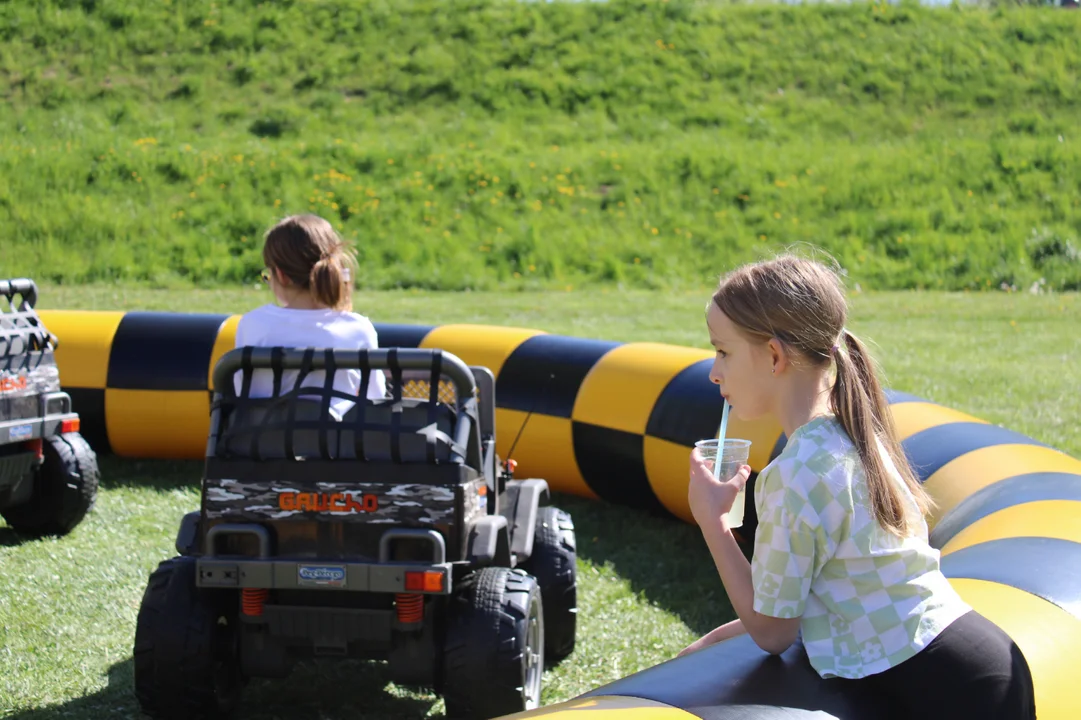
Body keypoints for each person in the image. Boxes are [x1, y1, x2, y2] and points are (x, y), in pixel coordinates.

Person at [680, 253, 1036, 719]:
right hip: (978, 664)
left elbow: (773, 632)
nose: (713, 371)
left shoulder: (795, 474)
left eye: (723, 351)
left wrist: (713, 522)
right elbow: (828, 596)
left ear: (773, 356)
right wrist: (715, 640)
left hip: (953, 693)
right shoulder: (850, 435)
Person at [233, 214, 386, 417]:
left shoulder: (252, 324)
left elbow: (240, 391)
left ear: (280, 275)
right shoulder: (358, 329)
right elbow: (375, 397)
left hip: (260, 444)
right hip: (336, 446)